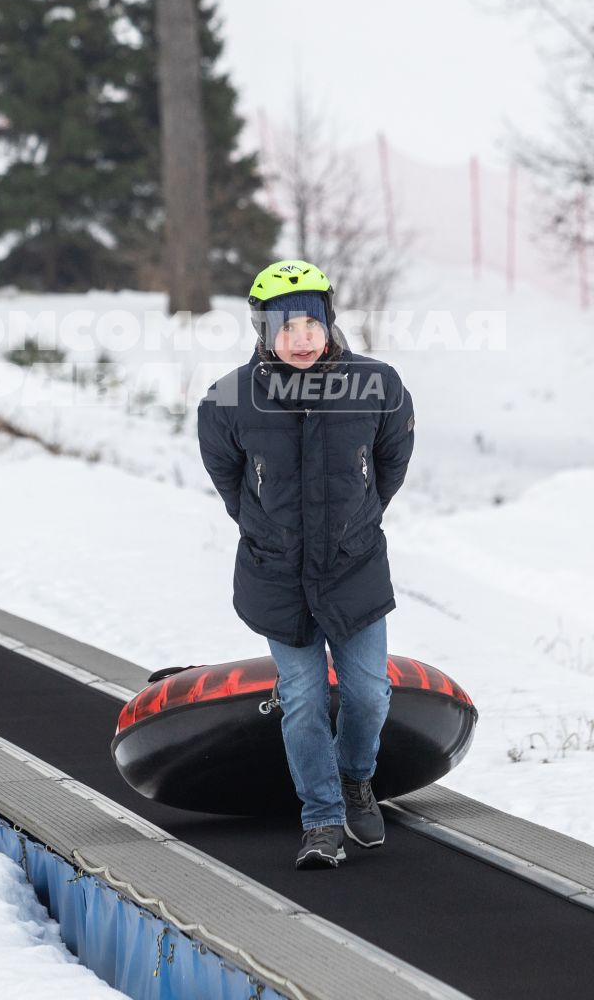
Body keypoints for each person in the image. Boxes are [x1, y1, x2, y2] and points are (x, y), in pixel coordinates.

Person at [197, 261, 416, 871]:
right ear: (263, 330)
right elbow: (228, 478)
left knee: (370, 694)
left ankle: (355, 780)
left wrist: (358, 519)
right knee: (303, 696)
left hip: (354, 567)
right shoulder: (228, 398)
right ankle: (321, 820)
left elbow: (391, 459)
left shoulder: (377, 384)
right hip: (277, 573)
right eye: (284, 326)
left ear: (329, 323)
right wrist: (266, 528)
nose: (299, 338)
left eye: (310, 324)